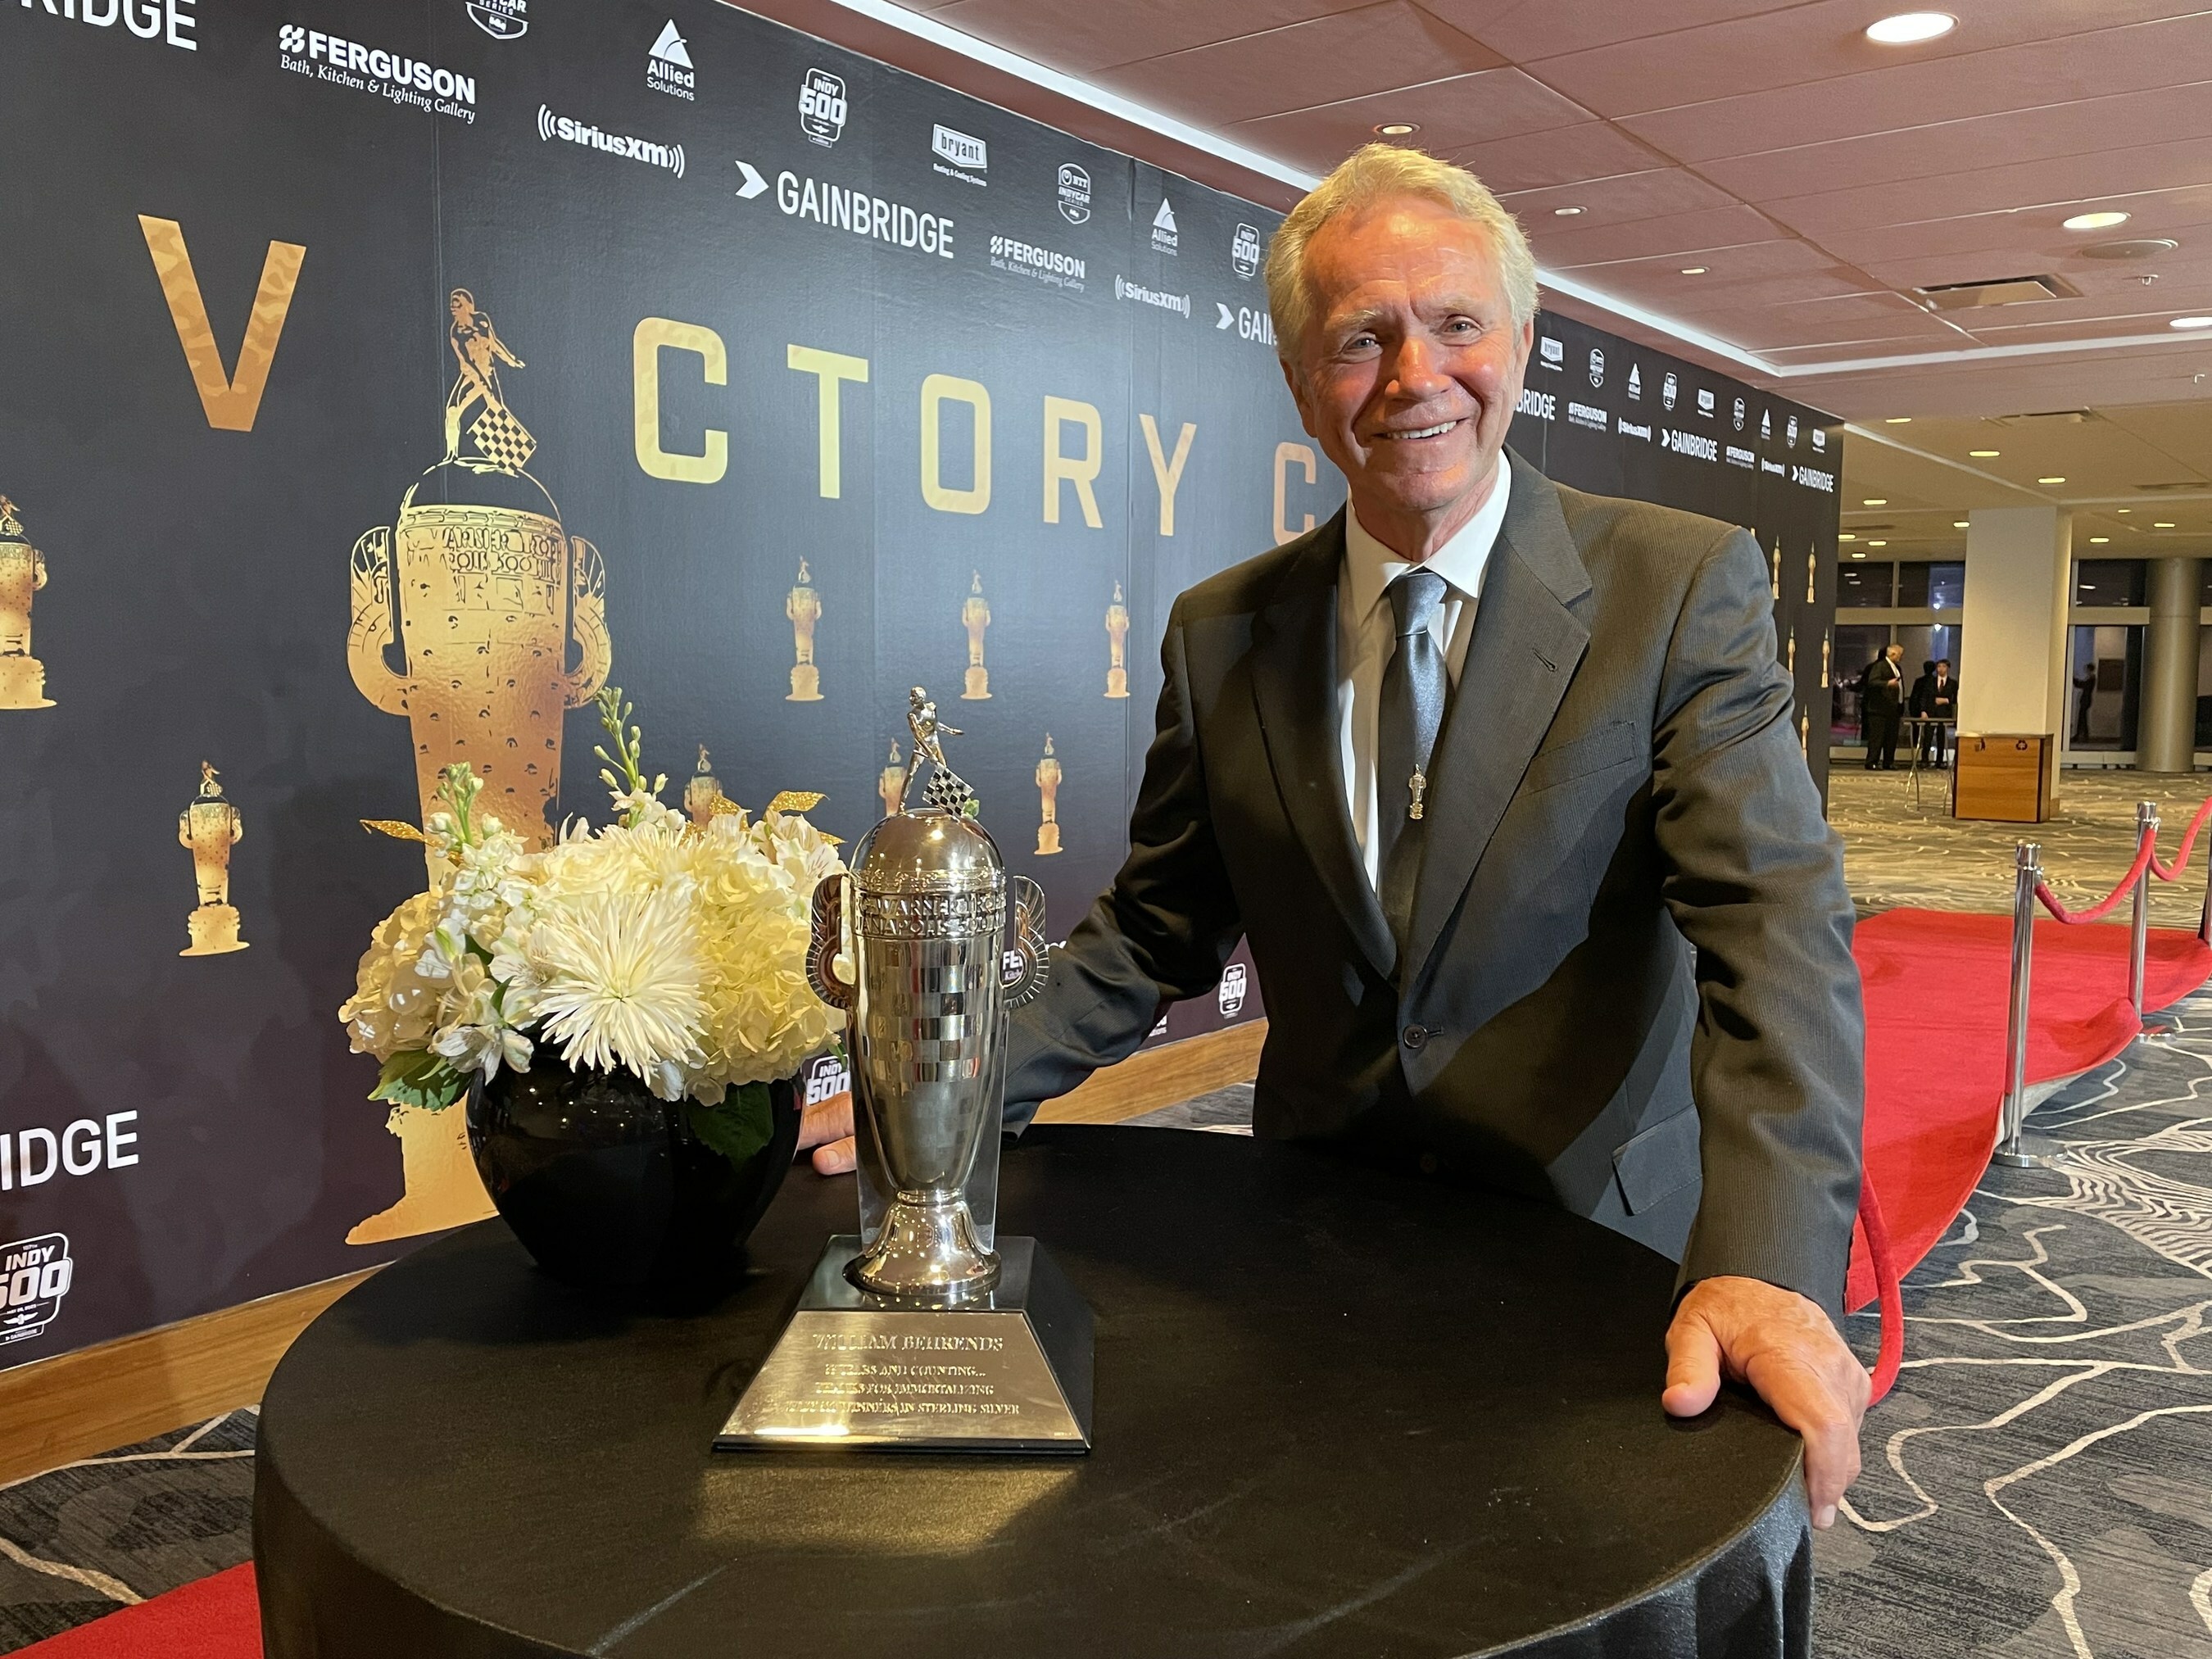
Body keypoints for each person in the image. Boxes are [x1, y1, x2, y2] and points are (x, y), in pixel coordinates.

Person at [801, 145, 1868, 1529]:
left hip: (1595, 1256)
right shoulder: (1222, 630)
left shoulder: (1679, 587)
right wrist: (941, 1090)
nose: (1416, 375)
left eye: (1456, 323)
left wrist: (1770, 1262)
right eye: (1360, 339)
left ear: (1523, 344)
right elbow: (1153, 931)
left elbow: (1774, 934)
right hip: (1313, 1245)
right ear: (1306, 386)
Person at [1862, 645, 1905, 769]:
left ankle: (1889, 761)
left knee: (1891, 737)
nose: (1901, 658)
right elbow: (1872, 682)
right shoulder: (1880, 666)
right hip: (1879, 709)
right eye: (1900, 655)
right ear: (1892, 654)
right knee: (1877, 737)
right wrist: (1887, 683)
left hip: (1893, 709)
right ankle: (1872, 761)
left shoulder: (1897, 668)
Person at [1910, 660, 1956, 767]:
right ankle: (1924, 759)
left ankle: (1939, 761)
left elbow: (1956, 699)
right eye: (1939, 666)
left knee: (1941, 738)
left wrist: (1946, 701)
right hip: (1930, 713)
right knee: (1928, 737)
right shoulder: (1930, 682)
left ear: (1947, 668)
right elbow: (1924, 697)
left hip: (1944, 714)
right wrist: (1923, 711)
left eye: (1943, 666)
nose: (1941, 669)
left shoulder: (1953, 683)